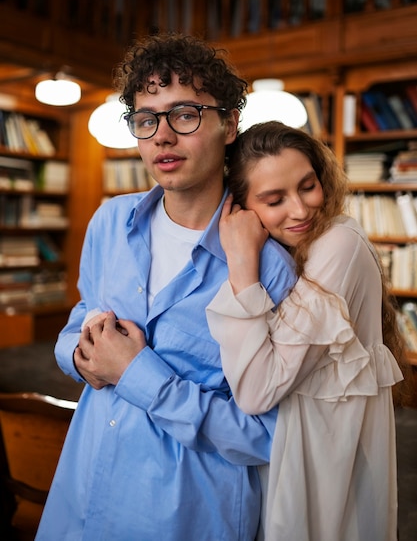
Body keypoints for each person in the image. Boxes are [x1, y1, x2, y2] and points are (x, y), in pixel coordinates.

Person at [35, 36, 296, 541]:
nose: (162, 137)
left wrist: (136, 373)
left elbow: (269, 437)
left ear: (230, 124)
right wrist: (80, 354)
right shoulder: (110, 221)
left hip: (185, 518)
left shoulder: (271, 268)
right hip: (83, 498)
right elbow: (78, 321)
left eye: (185, 115)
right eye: (147, 119)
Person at [206, 121, 405, 541]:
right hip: (302, 440)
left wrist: (241, 263)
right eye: (275, 199)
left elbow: (257, 390)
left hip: (326, 449)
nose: (300, 209)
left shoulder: (338, 243)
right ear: (241, 209)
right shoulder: (296, 250)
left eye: (307, 186)